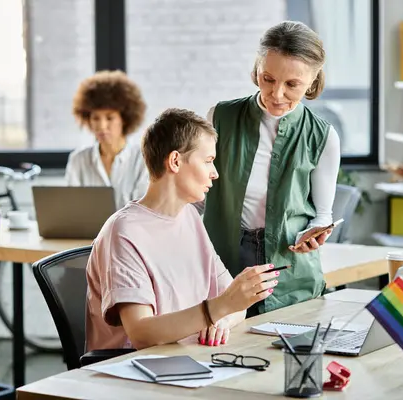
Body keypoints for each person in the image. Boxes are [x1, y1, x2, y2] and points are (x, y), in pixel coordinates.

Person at [85, 108, 279, 351]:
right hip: (136, 373)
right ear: (175, 161)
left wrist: (221, 321)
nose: (215, 173)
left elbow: (234, 303)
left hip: (190, 359)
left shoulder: (189, 216)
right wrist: (218, 309)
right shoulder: (123, 231)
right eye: (208, 161)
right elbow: (141, 334)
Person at [201, 21, 341, 317]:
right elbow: (195, 197)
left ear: (312, 82)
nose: (277, 94)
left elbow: (321, 215)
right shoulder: (220, 118)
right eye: (268, 78)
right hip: (223, 267)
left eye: (292, 85)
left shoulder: (322, 136)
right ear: (257, 70)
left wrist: (314, 233)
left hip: (291, 277)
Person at [66, 70, 149, 209]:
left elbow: (145, 211)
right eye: (95, 118)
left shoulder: (144, 160)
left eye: (109, 118)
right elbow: (72, 210)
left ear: (125, 119)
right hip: (88, 231)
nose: (102, 126)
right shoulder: (78, 160)